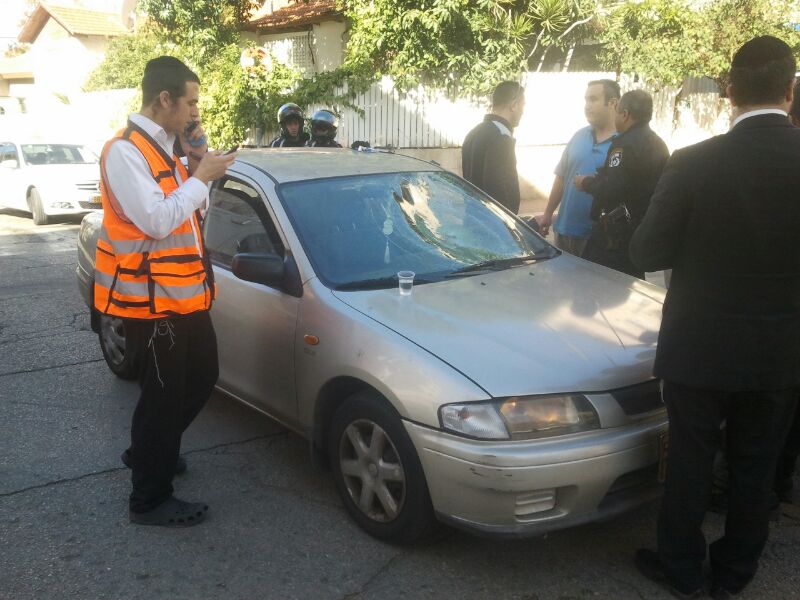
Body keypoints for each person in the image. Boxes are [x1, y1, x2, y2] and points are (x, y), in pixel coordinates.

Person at [629, 36, 800, 599]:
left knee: (690, 459)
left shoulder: (693, 162)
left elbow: (646, 250)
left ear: (729, 90)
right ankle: (733, 574)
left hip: (698, 347)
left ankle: (680, 567)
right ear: (790, 89)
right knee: (757, 466)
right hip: (781, 351)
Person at [95, 56, 236, 527]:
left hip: (183, 296)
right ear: (164, 99)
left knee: (201, 377)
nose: (195, 112)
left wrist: (195, 164)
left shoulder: (166, 151)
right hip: (151, 301)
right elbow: (157, 221)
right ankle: (149, 499)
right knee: (162, 397)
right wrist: (201, 177)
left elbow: (191, 214)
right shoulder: (124, 151)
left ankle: (148, 451)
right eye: (190, 102)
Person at [576, 90, 669, 278]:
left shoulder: (624, 144)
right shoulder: (659, 144)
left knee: (597, 283)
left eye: (617, 111)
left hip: (614, 235)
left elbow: (612, 188)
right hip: (640, 230)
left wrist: (585, 182)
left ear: (625, 115)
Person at [536, 80, 619, 255]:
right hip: (563, 231)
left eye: (593, 99)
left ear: (612, 103)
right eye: (586, 100)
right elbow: (561, 176)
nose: (587, 106)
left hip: (596, 237)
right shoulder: (579, 136)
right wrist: (548, 213)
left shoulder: (622, 143)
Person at [461, 81, 526, 213]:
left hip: (473, 216)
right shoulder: (501, 136)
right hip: (493, 221)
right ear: (514, 105)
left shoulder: (474, 132)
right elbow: (496, 186)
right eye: (523, 105)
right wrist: (509, 221)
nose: (523, 112)